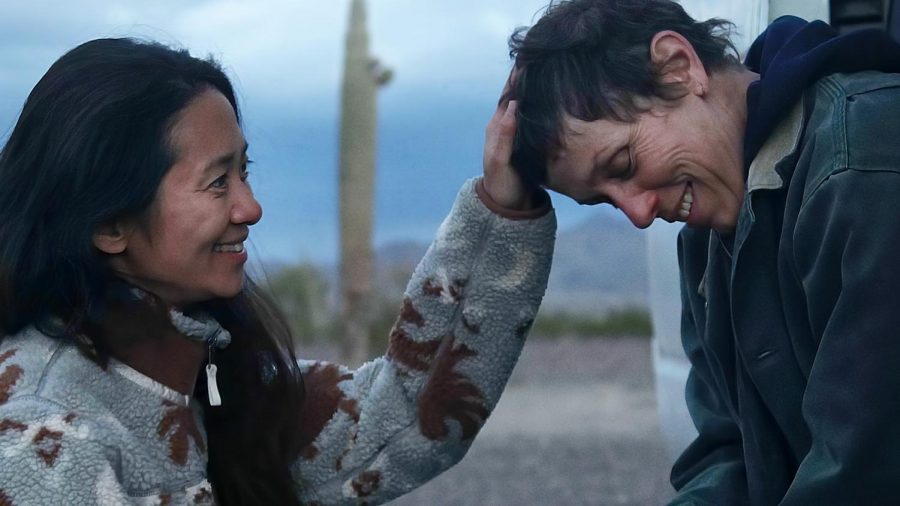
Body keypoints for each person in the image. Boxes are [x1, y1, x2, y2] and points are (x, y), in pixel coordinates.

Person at [0, 38, 555, 505]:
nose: (251, 208)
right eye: (218, 181)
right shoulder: (42, 439)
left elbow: (403, 419)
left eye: (245, 171)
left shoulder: (214, 373)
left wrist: (504, 207)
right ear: (109, 224)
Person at [501, 0, 900, 503]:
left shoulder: (863, 170)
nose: (639, 214)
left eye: (623, 163)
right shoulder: (707, 241)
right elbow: (726, 454)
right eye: (603, 199)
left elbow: (864, 475)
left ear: (678, 67)